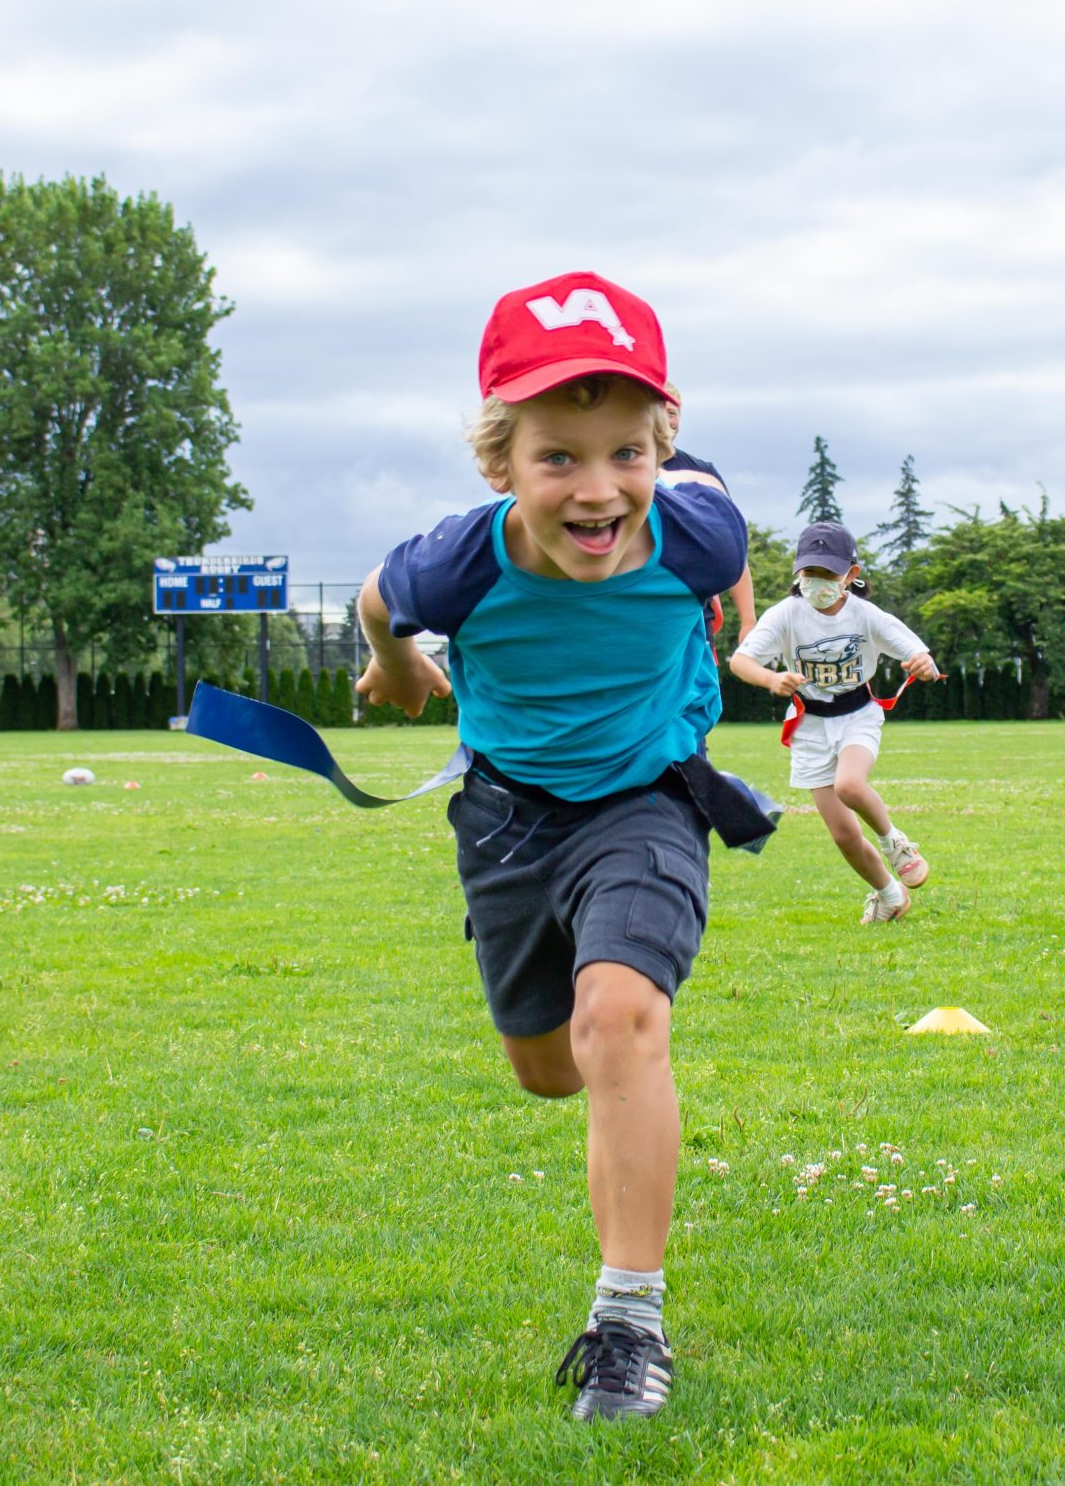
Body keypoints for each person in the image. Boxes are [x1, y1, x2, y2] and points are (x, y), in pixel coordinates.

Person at [356, 272, 756, 1421]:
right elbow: (382, 607)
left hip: (648, 802)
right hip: (507, 818)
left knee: (622, 1019)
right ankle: (607, 1065)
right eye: (558, 459)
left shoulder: (698, 525)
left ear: (662, 449)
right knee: (549, 1070)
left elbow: (726, 570)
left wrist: (719, 616)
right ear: (499, 464)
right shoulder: (456, 562)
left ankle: (628, 1325)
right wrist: (394, 668)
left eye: (627, 453)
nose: (598, 490)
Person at [728, 520, 942, 923]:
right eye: (810, 573)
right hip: (810, 725)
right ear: (798, 572)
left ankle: (895, 842)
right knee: (843, 835)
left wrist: (924, 665)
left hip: (857, 714)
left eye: (829, 574)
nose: (818, 582)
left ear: (851, 575)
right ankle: (889, 895)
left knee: (849, 785)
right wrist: (772, 678)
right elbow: (741, 661)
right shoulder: (787, 615)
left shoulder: (867, 616)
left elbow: (919, 654)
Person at [658, 385, 756, 662]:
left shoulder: (703, 474)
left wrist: (748, 620)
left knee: (698, 697)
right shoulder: (617, 465)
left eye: (673, 413)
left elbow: (733, 546)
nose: (667, 420)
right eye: (659, 411)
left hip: (695, 608)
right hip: (644, 603)